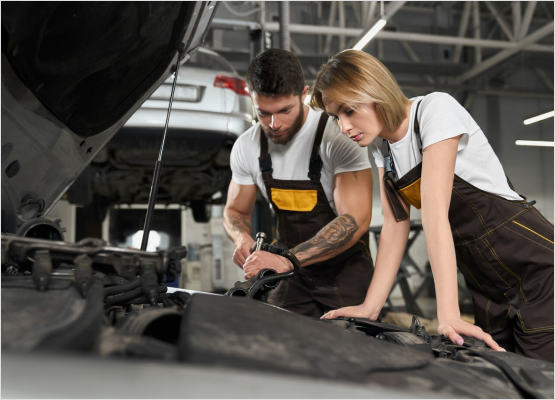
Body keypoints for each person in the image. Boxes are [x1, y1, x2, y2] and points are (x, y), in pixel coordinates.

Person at [311, 50, 554, 362]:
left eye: (349, 111)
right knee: (501, 376)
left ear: (373, 91)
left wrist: (449, 313)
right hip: (484, 281)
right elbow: (395, 225)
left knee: (543, 377)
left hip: (532, 265)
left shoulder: (435, 110)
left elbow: (435, 214)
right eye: (335, 117)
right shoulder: (382, 150)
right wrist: (369, 307)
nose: (343, 127)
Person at [223, 49, 375, 318]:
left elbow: (355, 219)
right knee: (285, 341)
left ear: (304, 94)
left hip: (344, 269)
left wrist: (287, 259)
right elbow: (235, 211)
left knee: (353, 346)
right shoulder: (247, 146)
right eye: (263, 113)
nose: (274, 124)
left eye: (284, 110)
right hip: (290, 272)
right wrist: (241, 237)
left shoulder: (337, 135)